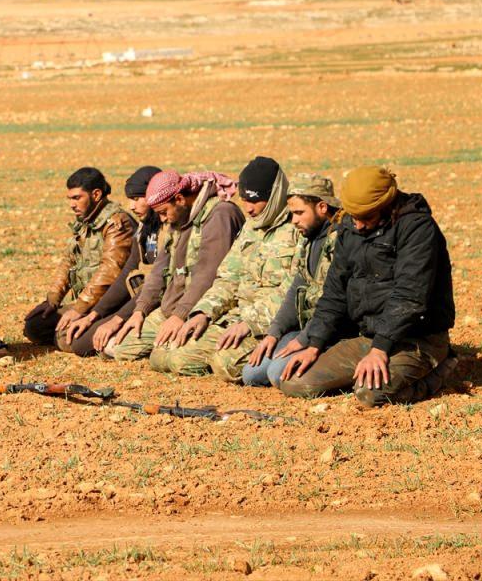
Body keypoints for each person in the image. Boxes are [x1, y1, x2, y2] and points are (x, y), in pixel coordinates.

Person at [279, 166, 455, 407]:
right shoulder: (350, 226)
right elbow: (335, 292)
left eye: (366, 218)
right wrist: (315, 343)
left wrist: (380, 349)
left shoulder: (417, 228)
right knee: (296, 383)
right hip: (370, 336)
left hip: (417, 338)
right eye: (354, 217)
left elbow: (410, 296)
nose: (358, 226)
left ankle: (442, 368)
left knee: (371, 395)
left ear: (387, 205)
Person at [151, 156, 299, 381]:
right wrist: (203, 313)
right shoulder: (251, 228)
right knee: (162, 356)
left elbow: (291, 291)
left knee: (224, 364)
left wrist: (249, 323)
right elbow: (228, 279)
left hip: (265, 324)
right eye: (244, 201)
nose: (248, 209)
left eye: (255, 201)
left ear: (274, 196)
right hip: (234, 316)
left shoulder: (297, 228)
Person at [102, 170, 244, 362]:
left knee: (168, 359)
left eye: (163, 212)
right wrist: (140, 310)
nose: (161, 219)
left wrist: (180, 314)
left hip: (201, 310)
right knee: (119, 348)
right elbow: (159, 270)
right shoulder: (178, 216)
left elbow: (207, 274)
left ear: (179, 199)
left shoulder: (220, 214)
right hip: (171, 309)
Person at [243, 174, 340, 387]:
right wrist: (274, 333)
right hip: (307, 328)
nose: (294, 220)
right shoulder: (310, 238)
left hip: (330, 331)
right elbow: (297, 287)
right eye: (292, 214)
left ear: (322, 207)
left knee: (278, 375)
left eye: (299, 213)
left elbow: (335, 303)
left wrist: (305, 340)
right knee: (251, 374)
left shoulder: (339, 241)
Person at [24, 167, 135, 348]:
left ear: (96, 194)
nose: (72, 204)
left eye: (77, 198)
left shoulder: (116, 223)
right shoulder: (85, 221)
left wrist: (79, 308)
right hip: (87, 301)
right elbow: (69, 261)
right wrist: (52, 300)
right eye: (70, 198)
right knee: (35, 326)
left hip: (110, 304)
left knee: (68, 339)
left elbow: (110, 271)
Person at [61, 166, 165, 356]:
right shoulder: (145, 228)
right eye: (130, 199)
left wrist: (117, 319)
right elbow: (127, 273)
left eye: (137, 199)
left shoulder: (168, 230)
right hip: (138, 299)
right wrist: (94, 315)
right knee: (72, 338)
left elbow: (158, 286)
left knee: (86, 343)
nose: (131, 206)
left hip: (156, 303)